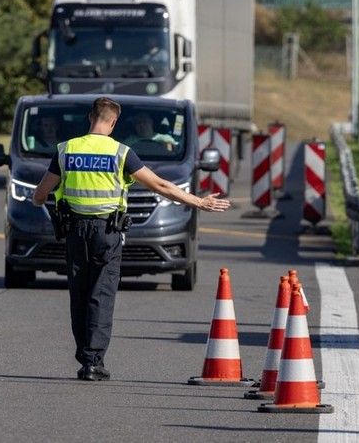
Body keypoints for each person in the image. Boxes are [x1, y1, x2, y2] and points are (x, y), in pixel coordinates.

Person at [32, 97, 230, 381]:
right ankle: (92, 362)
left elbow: (40, 195)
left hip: (75, 232)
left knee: (80, 293)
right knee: (101, 294)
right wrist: (198, 202)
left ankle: (85, 354)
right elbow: (160, 185)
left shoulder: (66, 150)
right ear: (113, 123)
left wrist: (47, 202)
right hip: (107, 234)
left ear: (90, 118)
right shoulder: (121, 153)